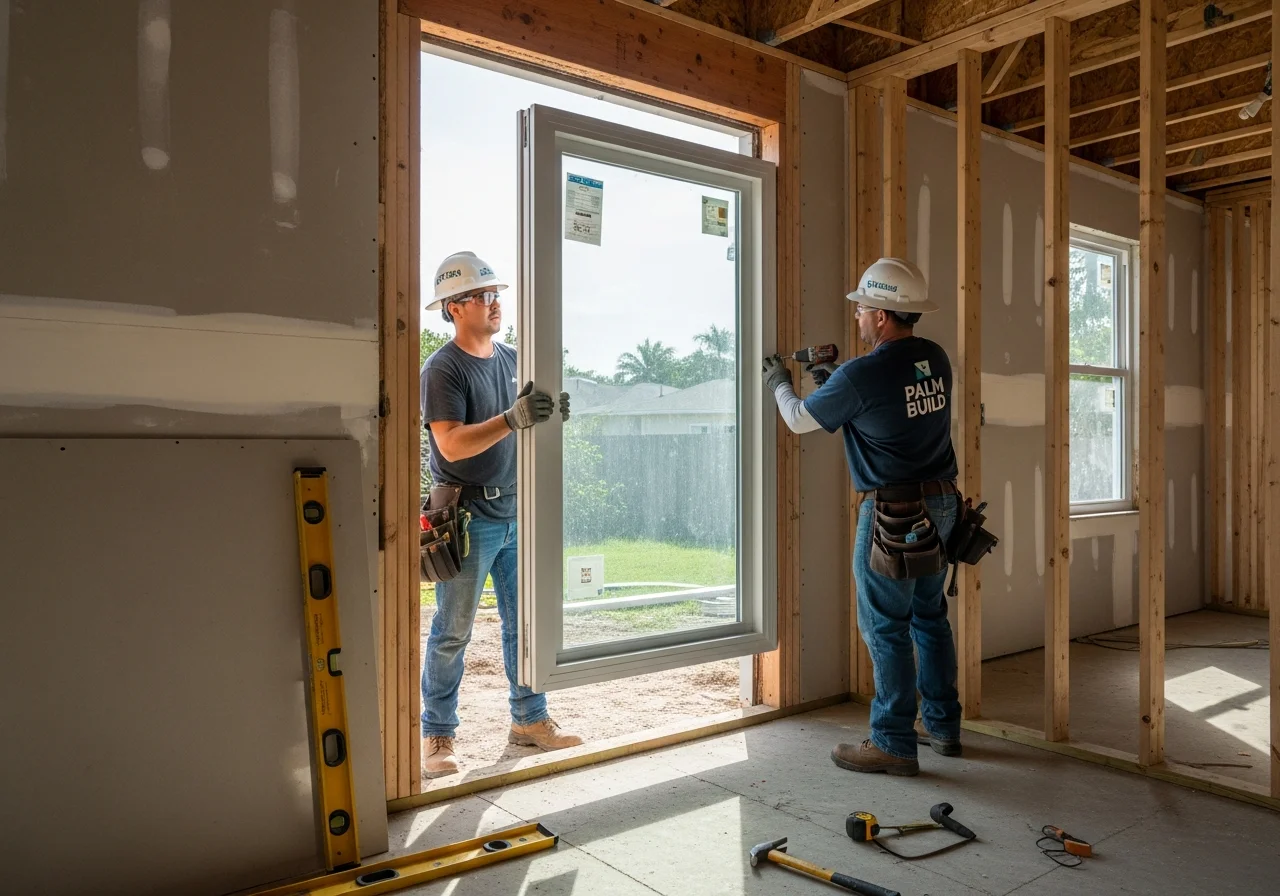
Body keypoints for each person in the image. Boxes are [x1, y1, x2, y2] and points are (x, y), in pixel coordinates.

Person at [762, 257, 962, 777]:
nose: (856, 318)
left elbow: (799, 420)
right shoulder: (934, 357)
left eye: (861, 310)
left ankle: (892, 742)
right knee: (930, 616)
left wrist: (780, 382)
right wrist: (837, 383)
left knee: (885, 626)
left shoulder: (863, 373)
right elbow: (889, 411)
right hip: (942, 504)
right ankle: (942, 726)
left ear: (881, 315)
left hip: (893, 513)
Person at [419, 250, 583, 778]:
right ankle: (438, 735)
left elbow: (528, 428)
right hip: (468, 518)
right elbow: (451, 444)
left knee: (524, 625)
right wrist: (512, 418)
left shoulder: (515, 360)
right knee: (453, 631)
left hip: (517, 512)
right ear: (453, 307)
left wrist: (549, 418)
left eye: (495, 294)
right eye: (481, 295)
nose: (494, 303)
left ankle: (530, 720)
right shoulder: (442, 368)